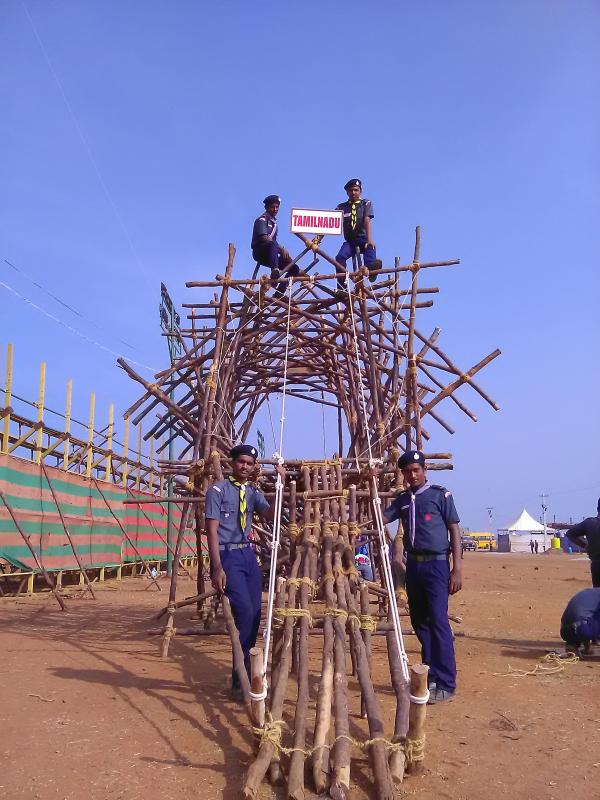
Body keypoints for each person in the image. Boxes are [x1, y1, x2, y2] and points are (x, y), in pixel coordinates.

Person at [379, 450, 462, 704]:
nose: (412, 475)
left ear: (424, 470)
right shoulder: (404, 500)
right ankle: (430, 675)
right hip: (414, 566)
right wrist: (372, 483)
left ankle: (446, 682)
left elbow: (454, 531)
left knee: (438, 621)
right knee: (420, 621)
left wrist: (457, 569)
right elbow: (382, 518)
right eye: (407, 471)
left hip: (437, 564)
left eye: (416, 470)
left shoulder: (440, 495)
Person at [205, 444, 285, 700]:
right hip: (228, 555)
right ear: (232, 463)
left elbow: (269, 514)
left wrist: (281, 487)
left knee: (255, 614)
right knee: (245, 612)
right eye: (241, 462)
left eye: (249, 464)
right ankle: (241, 679)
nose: (245, 467)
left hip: (248, 555)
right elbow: (212, 530)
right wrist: (217, 566)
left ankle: (243, 675)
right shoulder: (217, 490)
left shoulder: (252, 492)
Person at [335, 178, 381, 292]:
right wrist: (318, 239)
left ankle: (370, 270)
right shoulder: (341, 207)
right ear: (347, 192)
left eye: (356, 190)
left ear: (360, 191)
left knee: (370, 248)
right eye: (351, 190)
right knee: (339, 258)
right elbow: (329, 223)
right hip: (350, 242)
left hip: (363, 238)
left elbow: (367, 220)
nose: (353, 192)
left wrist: (369, 239)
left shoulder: (365, 203)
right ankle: (342, 288)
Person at [251, 195, 299, 296]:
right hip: (260, 252)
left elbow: (273, 247)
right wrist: (281, 249)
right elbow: (264, 238)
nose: (275, 209)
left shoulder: (274, 224)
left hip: (271, 255)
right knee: (273, 243)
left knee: (294, 268)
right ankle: (274, 272)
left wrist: (287, 259)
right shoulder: (261, 220)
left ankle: (279, 293)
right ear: (267, 207)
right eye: (273, 207)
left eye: (277, 207)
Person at [566, 499, 600, 587]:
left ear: (597, 508)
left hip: (597, 565)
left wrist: (585, 546)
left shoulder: (590, 523)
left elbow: (570, 534)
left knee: (597, 591)